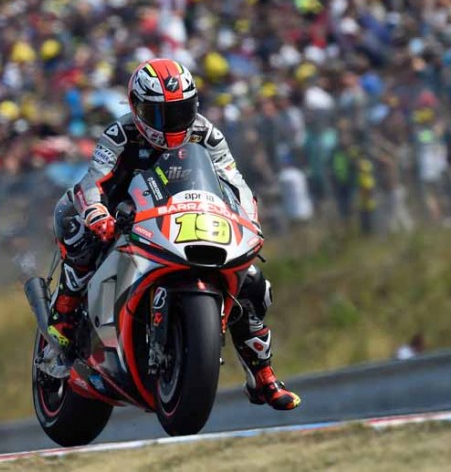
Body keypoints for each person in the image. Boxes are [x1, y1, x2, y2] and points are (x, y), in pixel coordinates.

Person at [46, 58, 300, 411]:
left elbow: (235, 182)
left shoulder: (207, 133)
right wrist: (97, 213)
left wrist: (249, 221)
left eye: (180, 111)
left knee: (252, 282)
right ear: (136, 107)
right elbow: (93, 181)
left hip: (183, 217)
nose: (171, 122)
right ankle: (61, 322)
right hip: (120, 211)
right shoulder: (120, 133)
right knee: (81, 235)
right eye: (159, 114)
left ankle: (263, 377)